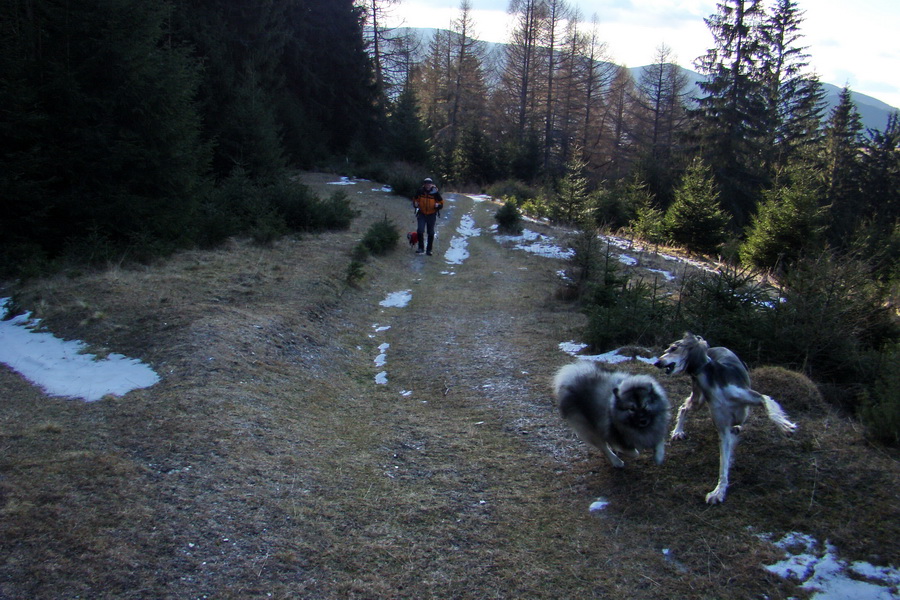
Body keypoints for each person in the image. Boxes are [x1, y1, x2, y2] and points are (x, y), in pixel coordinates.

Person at [412, 177, 443, 255]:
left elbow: (441, 203)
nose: (428, 185)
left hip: (431, 214)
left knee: (430, 232)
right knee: (420, 230)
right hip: (421, 213)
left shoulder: (435, 192)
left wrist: (438, 205)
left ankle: (429, 250)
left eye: (429, 183)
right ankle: (421, 248)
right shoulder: (420, 191)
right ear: (424, 184)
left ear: (431, 184)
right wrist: (415, 204)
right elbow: (415, 199)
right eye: (426, 183)